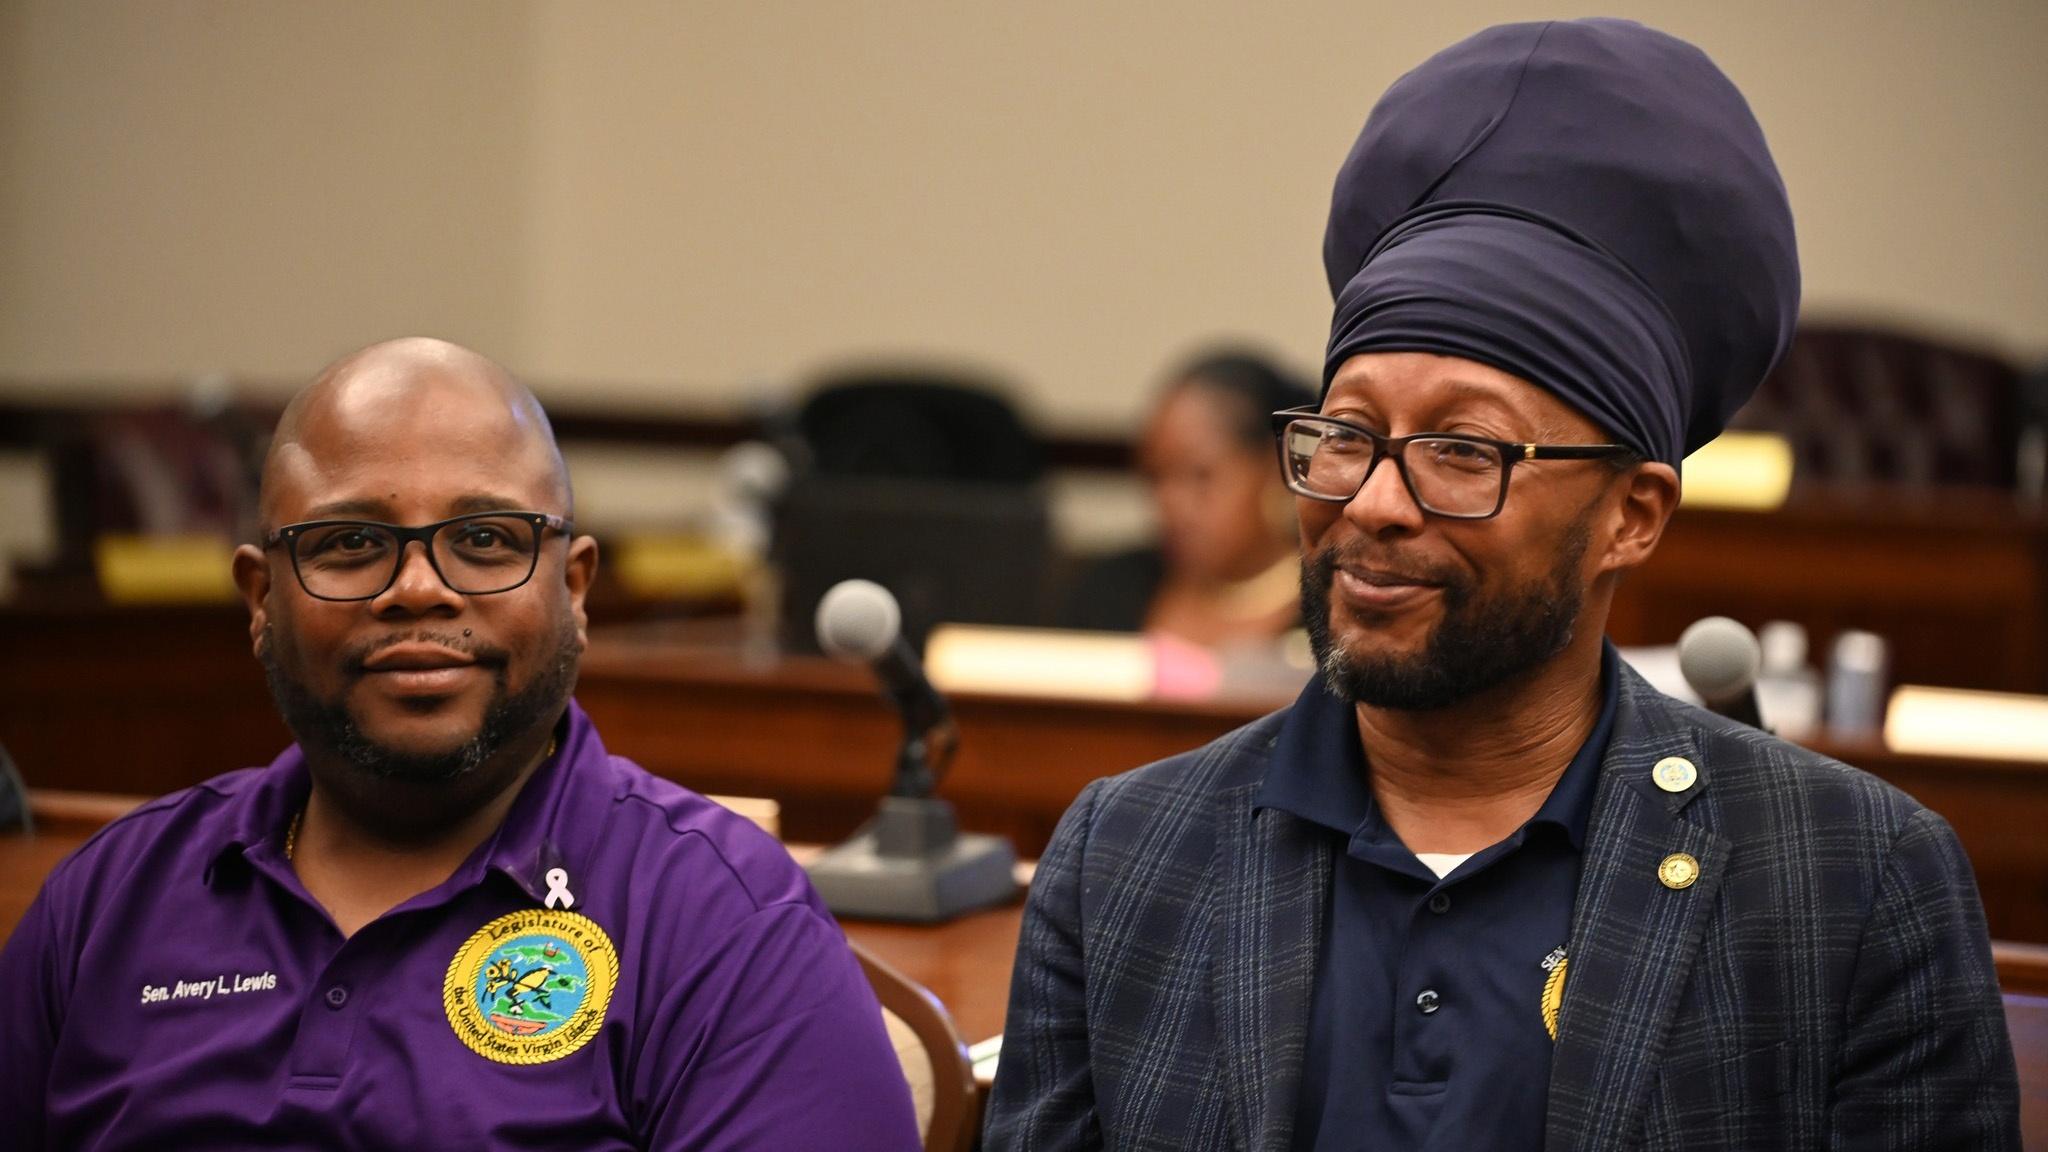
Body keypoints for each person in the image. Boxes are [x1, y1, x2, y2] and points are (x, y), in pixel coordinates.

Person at [987, 19, 2019, 1151]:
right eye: (1346, 435)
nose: (1374, 502)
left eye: (1461, 452)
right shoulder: (1126, 856)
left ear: (1630, 516)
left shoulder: (1849, 883)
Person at [0, 338, 922, 1150]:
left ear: (574, 589)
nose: (417, 589)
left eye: (484, 539)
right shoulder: (111, 898)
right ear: (261, 600)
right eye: (349, 542)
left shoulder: (725, 925)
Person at [1060, 349, 1315, 649]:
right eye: (1155, 477)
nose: (1171, 504)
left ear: (1274, 470)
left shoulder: (1323, 606)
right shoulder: (1111, 589)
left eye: (1199, 476)